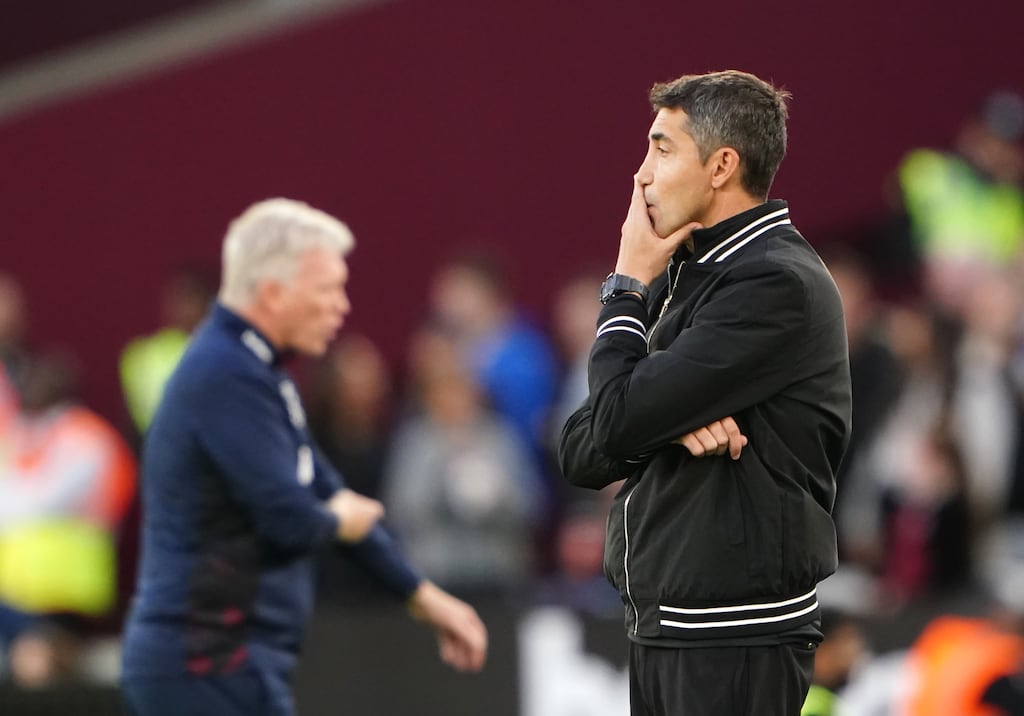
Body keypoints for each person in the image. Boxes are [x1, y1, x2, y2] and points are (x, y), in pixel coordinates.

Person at [120, 198, 487, 716]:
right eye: (328, 289)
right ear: (274, 293)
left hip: (229, 666)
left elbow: (325, 490)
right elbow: (288, 518)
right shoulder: (225, 376)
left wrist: (422, 596)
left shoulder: (257, 372)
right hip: (203, 666)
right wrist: (337, 520)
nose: (341, 305)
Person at [558, 70, 852, 715]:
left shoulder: (773, 282)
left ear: (721, 166)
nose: (641, 175)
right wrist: (663, 418)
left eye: (662, 149)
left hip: (734, 632)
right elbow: (580, 449)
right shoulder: (690, 273)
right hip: (669, 623)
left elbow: (615, 423)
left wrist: (626, 287)